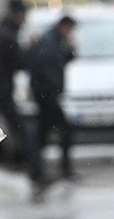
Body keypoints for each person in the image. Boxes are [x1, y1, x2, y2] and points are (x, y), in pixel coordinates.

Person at [28, 15, 77, 195]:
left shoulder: (56, 41)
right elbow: (45, 68)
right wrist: (51, 92)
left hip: (47, 95)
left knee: (43, 134)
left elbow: (64, 60)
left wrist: (71, 49)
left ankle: (38, 170)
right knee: (62, 130)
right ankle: (57, 169)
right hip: (47, 96)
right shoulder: (49, 42)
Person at [0, 0, 33, 166]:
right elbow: (19, 64)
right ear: (19, 15)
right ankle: (31, 164)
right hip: (1, 91)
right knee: (18, 128)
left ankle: (3, 157)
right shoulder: (8, 37)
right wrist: (30, 50)